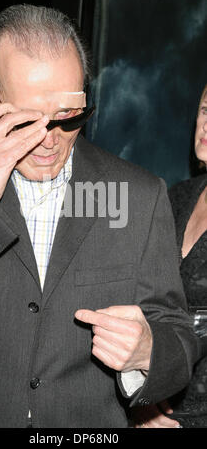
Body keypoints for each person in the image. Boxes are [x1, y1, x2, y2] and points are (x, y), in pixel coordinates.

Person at [0, 4, 201, 428]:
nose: (49, 140)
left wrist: (147, 351)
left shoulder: (136, 194)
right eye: (25, 121)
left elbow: (176, 332)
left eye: (68, 116)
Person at [131, 85, 207, 428]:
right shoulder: (177, 196)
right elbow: (144, 301)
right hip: (150, 401)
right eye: (206, 110)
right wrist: (144, 398)